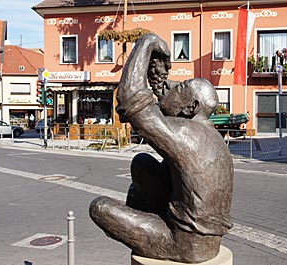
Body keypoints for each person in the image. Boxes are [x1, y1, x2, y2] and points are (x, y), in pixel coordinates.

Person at [89, 34, 234, 263]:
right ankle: (149, 220)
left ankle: (150, 228)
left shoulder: (187, 133)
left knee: (100, 207)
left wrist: (146, 42)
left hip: (183, 244)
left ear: (191, 107)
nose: (172, 86)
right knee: (143, 164)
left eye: (181, 87)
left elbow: (130, 101)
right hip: (208, 243)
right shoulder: (209, 135)